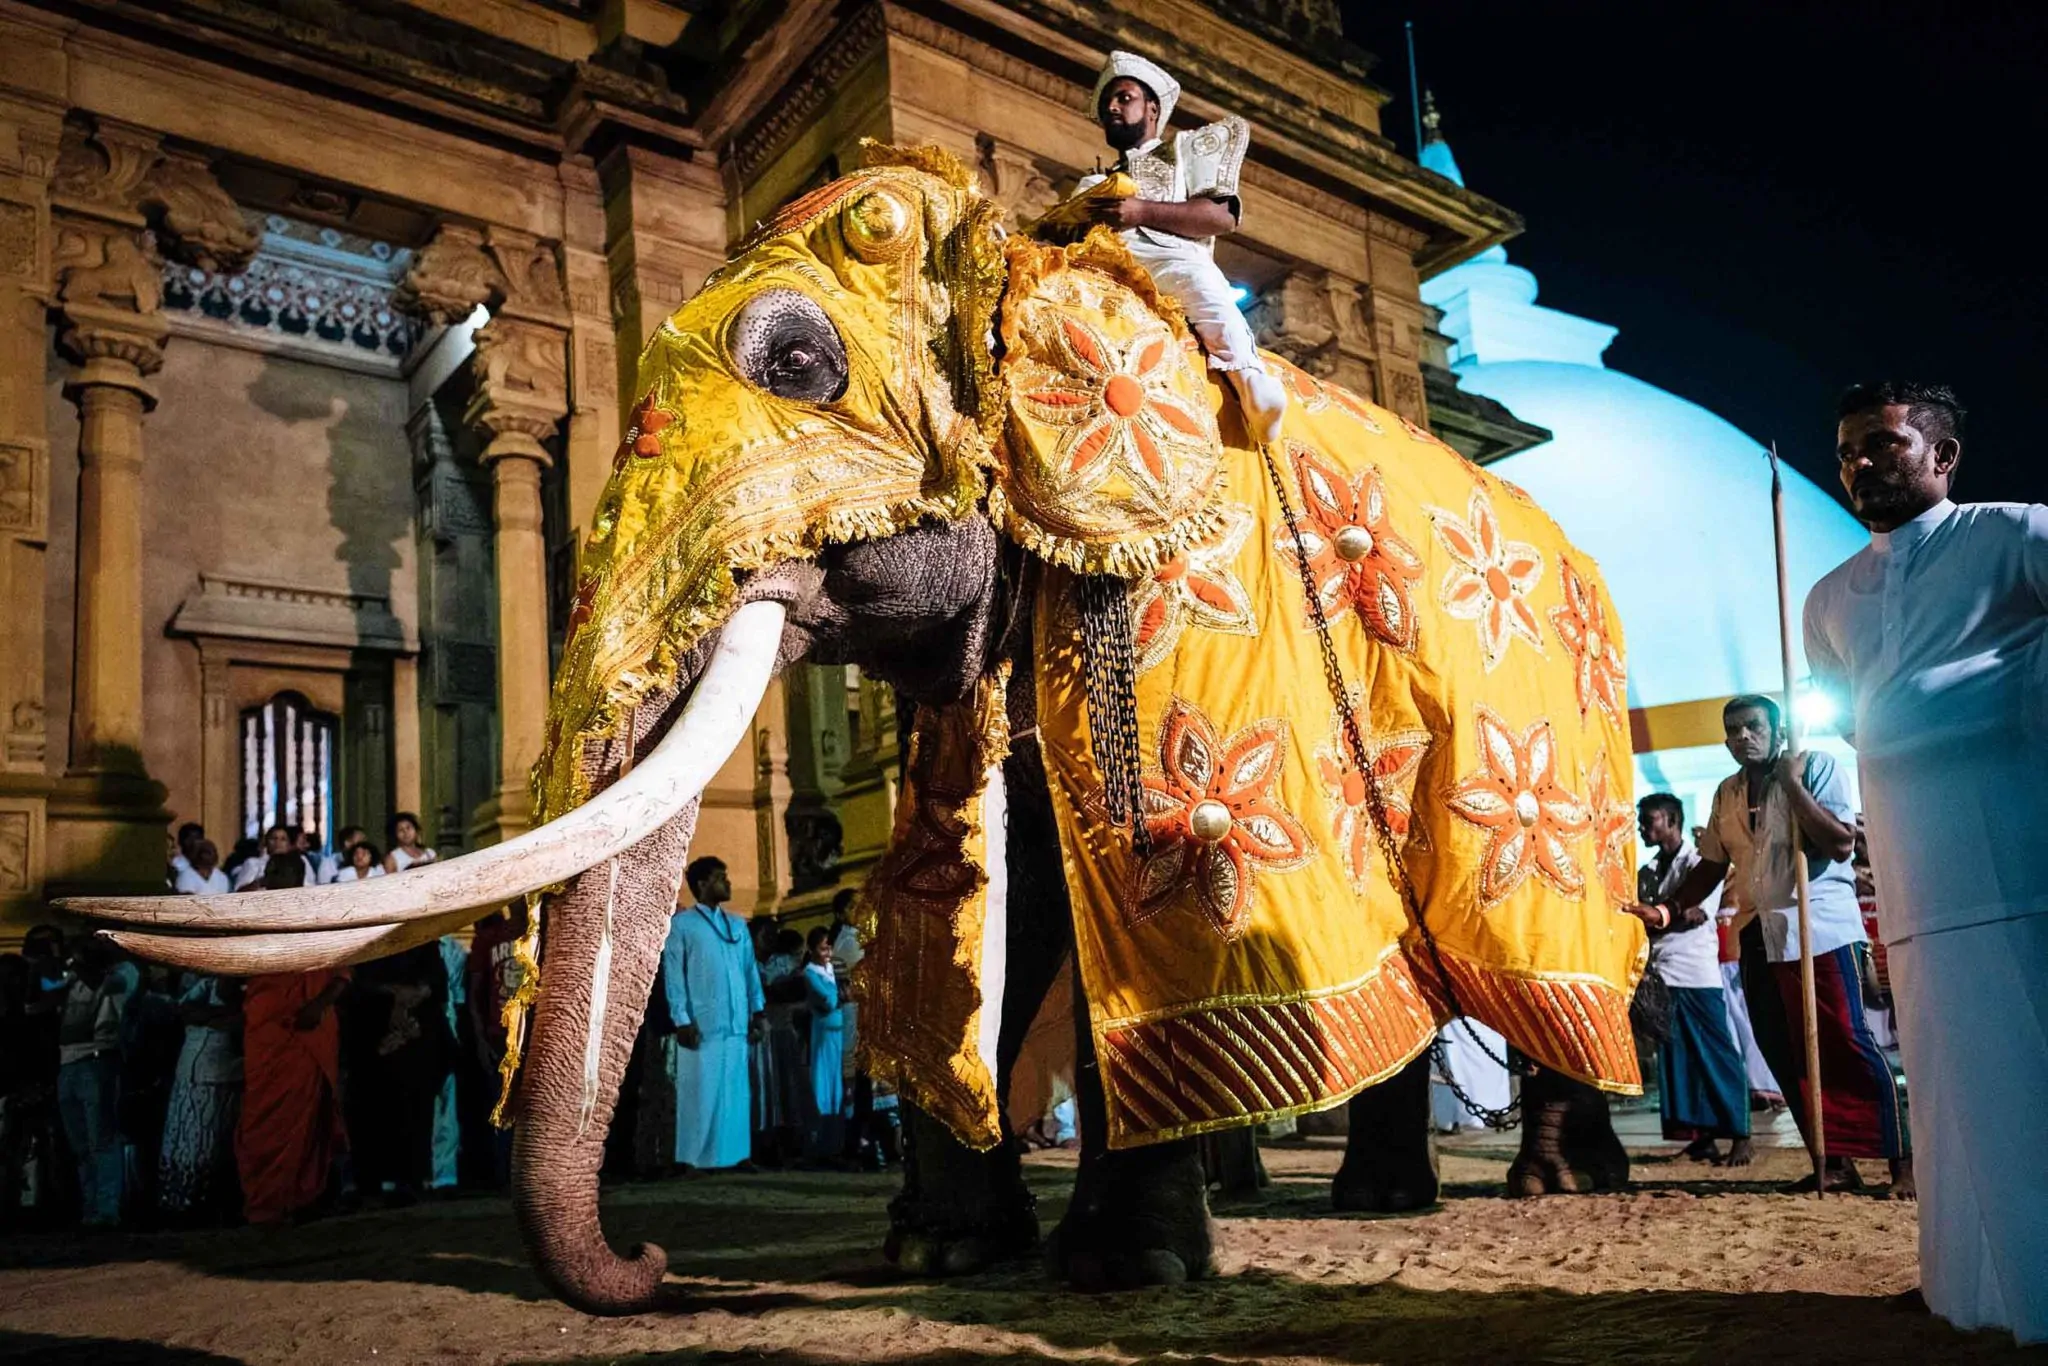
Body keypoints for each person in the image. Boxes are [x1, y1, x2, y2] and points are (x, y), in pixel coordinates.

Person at [1803, 381, 2048, 1342]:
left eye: (1883, 444)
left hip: (2022, 867)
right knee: (1949, 1091)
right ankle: (1966, 1288)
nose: (1860, 462)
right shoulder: (1830, 597)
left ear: (1942, 458)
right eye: (1847, 449)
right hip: (1913, 882)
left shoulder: (2017, 534)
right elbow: (1849, 712)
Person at [1650, 695, 1908, 1195]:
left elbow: (1839, 843)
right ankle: (1831, 1163)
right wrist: (1665, 910)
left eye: (1751, 726)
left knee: (1845, 1043)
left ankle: (1903, 1162)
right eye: (1732, 730)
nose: (1741, 737)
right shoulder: (1726, 793)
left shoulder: (1816, 767)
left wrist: (1791, 785)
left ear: (1778, 729)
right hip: (1758, 935)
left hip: (1821, 929)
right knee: (1784, 1052)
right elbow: (1710, 865)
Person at [1072, 51, 1288, 442]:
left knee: (1199, 282)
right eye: (1108, 104)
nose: (1112, 107)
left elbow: (1221, 216)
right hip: (1102, 266)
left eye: (1123, 98)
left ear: (1151, 108)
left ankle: (1250, 378)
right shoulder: (1094, 183)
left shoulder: (1186, 150)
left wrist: (1140, 211)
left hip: (1169, 257)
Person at [1628, 794, 1752, 1166]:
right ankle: (1700, 1137)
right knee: (1678, 1059)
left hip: (1696, 971)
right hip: (1663, 970)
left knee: (1716, 1052)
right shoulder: (1647, 871)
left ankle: (1741, 1132)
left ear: (1671, 820)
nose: (1643, 828)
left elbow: (1698, 915)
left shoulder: (1700, 864)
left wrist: (1657, 916)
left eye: (1649, 820)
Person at [236, 856, 350, 1225]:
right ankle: (264, 1201)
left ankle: (302, 1196)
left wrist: (318, 1006)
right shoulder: (252, 916)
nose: (269, 878)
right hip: (266, 1033)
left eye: (278, 872)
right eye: (268, 872)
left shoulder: (317, 916)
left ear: (298, 875)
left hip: (308, 1031)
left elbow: (342, 971)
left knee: (308, 1114)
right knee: (260, 1116)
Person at [661, 857, 764, 1172]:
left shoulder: (737, 925)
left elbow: (750, 972)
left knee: (735, 1092)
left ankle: (735, 1155)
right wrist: (681, 1019)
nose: (728, 883)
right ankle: (693, 1157)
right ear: (702, 884)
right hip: (701, 1023)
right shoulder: (682, 926)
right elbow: (674, 976)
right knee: (699, 1091)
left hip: (736, 1021)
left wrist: (757, 1011)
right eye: (721, 877)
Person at [341, 940, 452, 1207]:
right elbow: (353, 985)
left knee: (415, 1111)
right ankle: (370, 1184)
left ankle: (412, 1181)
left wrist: (413, 996)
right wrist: (391, 996)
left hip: (417, 1041)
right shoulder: (362, 941)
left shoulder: (422, 939)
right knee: (368, 1112)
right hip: (370, 1041)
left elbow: (436, 982)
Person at [52, 935, 139, 1227]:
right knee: (80, 1144)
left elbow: (105, 988)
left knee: (101, 1138)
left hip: (98, 1060)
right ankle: (91, 1210)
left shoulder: (124, 972)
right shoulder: (74, 976)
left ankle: (107, 1210)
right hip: (69, 1063)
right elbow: (39, 999)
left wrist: (80, 963)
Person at [157, 972, 242, 1221]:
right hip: (190, 1076)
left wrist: (206, 1016)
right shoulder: (206, 985)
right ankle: (181, 1206)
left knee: (211, 1144)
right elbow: (184, 1011)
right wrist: (216, 1015)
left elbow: (237, 1021)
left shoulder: (247, 992)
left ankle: (208, 1206)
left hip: (219, 1077)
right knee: (183, 1144)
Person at [751, 927, 810, 1166]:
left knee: (778, 1091)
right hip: (775, 1033)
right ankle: (779, 1145)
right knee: (782, 1089)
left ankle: (779, 1144)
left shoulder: (770, 965)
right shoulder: (780, 965)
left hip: (776, 1031)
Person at [802, 926, 845, 1160]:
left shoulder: (830, 969)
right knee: (823, 1083)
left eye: (829, 947)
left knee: (838, 1085)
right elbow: (829, 1001)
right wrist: (841, 994)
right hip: (824, 1034)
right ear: (812, 950)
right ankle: (818, 1142)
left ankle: (835, 1140)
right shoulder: (810, 973)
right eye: (822, 948)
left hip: (839, 1032)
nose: (827, 952)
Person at [168, 821, 205, 887]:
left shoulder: (207, 865)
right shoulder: (175, 866)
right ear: (180, 841)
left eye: (197, 838)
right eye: (189, 839)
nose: (194, 843)